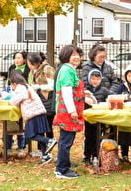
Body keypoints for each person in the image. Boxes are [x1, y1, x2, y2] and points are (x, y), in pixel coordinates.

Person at [8, 70, 58, 166]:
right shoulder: (27, 87)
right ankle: (45, 156)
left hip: (33, 114)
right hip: (40, 113)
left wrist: (11, 98)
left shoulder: (20, 89)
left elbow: (13, 101)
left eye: (12, 86)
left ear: (14, 83)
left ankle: (50, 141)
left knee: (30, 135)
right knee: (40, 134)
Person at [53, 45, 85, 179]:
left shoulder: (68, 69)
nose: (77, 57)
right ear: (66, 56)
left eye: (78, 54)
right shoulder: (67, 70)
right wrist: (72, 111)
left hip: (67, 110)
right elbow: (66, 91)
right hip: (67, 112)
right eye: (73, 55)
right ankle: (62, 170)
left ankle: (62, 165)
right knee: (66, 141)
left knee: (65, 140)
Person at [83, 70, 113, 165]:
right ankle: (87, 156)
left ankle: (96, 155)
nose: (95, 81)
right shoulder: (86, 90)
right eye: (93, 79)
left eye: (97, 79)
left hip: (100, 120)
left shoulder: (104, 90)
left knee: (97, 137)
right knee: (88, 137)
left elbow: (112, 96)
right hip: (88, 119)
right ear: (89, 79)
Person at [27, 52, 55, 138]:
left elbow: (52, 85)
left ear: (33, 63)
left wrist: (38, 87)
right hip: (39, 100)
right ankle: (41, 149)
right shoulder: (34, 71)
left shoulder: (47, 69)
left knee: (47, 125)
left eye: (28, 63)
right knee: (40, 126)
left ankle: (49, 145)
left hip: (48, 100)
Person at [6, 51, 29, 155]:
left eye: (19, 58)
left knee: (21, 125)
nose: (17, 60)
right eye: (15, 58)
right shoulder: (12, 67)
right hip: (12, 94)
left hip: (22, 99)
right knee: (9, 122)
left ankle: (21, 146)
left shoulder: (28, 68)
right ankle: (8, 146)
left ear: (24, 59)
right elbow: (8, 81)